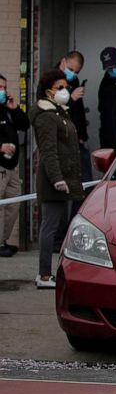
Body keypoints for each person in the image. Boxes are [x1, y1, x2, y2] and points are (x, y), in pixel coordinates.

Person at [29, 70, 84, 288]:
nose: (65, 91)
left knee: (58, 225)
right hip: (56, 180)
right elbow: (48, 151)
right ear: (48, 91)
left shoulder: (60, 113)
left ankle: (53, 272)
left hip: (66, 177)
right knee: (50, 226)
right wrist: (57, 178)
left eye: (66, 87)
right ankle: (44, 275)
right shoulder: (46, 116)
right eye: (59, 87)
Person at [0, 74, 29, 258]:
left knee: (12, 205)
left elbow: (25, 125)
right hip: (0, 166)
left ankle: (3, 240)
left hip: (12, 166)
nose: (2, 90)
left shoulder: (7, 110)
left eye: (3, 87)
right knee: (0, 206)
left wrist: (15, 108)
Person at [57, 51, 91, 182]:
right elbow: (51, 109)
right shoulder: (50, 80)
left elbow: (78, 111)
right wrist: (71, 98)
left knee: (84, 180)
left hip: (76, 138)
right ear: (63, 61)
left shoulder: (74, 80)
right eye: (70, 69)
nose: (73, 74)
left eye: (76, 72)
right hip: (61, 139)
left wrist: (82, 135)